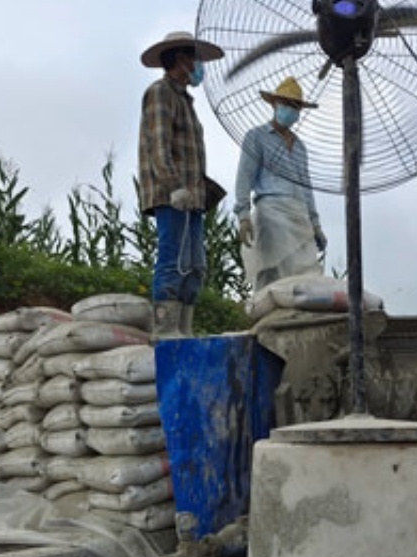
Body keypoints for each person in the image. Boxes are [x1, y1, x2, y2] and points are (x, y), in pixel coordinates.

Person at [138, 31, 224, 339]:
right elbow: (158, 144)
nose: (199, 66)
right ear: (180, 60)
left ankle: (184, 330)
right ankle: (165, 330)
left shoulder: (186, 101)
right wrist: (173, 184)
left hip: (192, 196)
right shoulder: (160, 93)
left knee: (195, 266)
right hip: (171, 194)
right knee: (173, 260)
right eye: (195, 59)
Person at [234, 76, 327, 293]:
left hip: (299, 216)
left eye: (295, 106)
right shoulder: (256, 137)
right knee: (271, 274)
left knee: (305, 278)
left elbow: (306, 187)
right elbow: (244, 177)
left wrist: (315, 224)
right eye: (286, 104)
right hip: (271, 212)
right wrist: (244, 216)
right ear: (275, 104)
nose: (291, 110)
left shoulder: (300, 147)